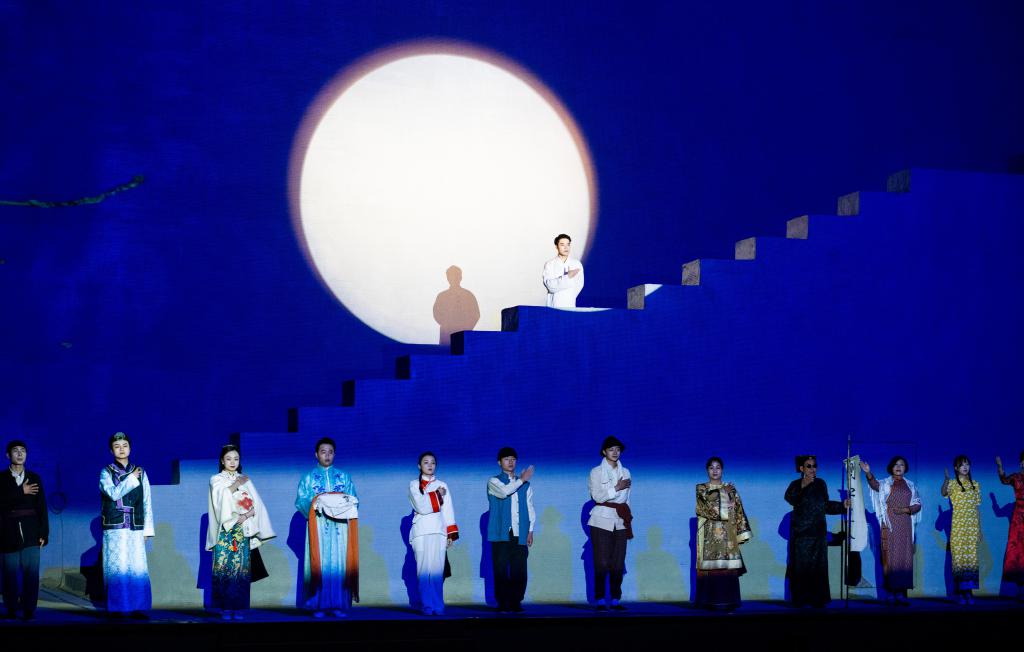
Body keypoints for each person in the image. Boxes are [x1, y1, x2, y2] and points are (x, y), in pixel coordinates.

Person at [206, 444, 275, 620]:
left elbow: (256, 503)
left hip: (242, 530)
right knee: (225, 568)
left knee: (241, 569)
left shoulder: (245, 479)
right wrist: (236, 485)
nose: (232, 462)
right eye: (228, 459)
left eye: (236, 459)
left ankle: (238, 608)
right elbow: (220, 500)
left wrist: (249, 515)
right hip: (225, 532)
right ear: (222, 461)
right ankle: (224, 608)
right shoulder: (216, 479)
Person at [295, 437, 358, 617]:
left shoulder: (344, 476)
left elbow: (354, 499)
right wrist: (315, 504)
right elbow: (301, 500)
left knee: (338, 564)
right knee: (320, 563)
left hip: (340, 527)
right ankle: (317, 605)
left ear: (334, 454)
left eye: (330, 452)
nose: (327, 455)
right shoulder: (308, 477)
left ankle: (337, 604)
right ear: (316, 454)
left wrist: (343, 504)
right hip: (319, 525)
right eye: (323, 452)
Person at [99, 432, 154, 618]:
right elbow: (113, 494)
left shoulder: (141, 472)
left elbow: (147, 502)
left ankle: (138, 607)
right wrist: (131, 479)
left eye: (124, 445)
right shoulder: (106, 472)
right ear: (111, 450)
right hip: (115, 527)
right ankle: (117, 608)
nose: (121, 449)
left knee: (137, 567)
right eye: (117, 446)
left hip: (135, 525)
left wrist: (147, 530)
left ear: (130, 448)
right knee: (117, 568)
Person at [785, 455, 849, 608]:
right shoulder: (795, 484)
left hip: (818, 534)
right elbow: (790, 498)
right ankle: (800, 600)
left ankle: (818, 599)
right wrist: (804, 485)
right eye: (808, 466)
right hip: (802, 536)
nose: (812, 469)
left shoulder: (821, 483)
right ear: (802, 468)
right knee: (800, 569)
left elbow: (825, 506)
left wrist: (842, 505)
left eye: (814, 465)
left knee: (818, 569)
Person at [861, 456, 921, 606]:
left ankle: (901, 593)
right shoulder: (885, 483)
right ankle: (890, 593)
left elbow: (918, 504)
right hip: (889, 525)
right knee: (890, 559)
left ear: (905, 468)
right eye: (895, 464)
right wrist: (868, 472)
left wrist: (905, 509)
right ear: (891, 467)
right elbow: (874, 485)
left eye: (901, 465)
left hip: (905, 525)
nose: (898, 467)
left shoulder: (910, 485)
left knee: (904, 560)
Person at [695, 456, 751, 611]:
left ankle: (729, 600)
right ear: (707, 470)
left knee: (728, 567)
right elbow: (705, 508)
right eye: (711, 467)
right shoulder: (701, 488)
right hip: (708, 534)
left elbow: (738, 510)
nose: (715, 471)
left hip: (727, 534)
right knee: (710, 568)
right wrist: (723, 495)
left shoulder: (730, 488)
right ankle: (708, 601)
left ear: (722, 470)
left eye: (718, 467)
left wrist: (740, 532)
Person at [407, 451, 459, 615]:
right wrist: (437, 495)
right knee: (424, 570)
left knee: (437, 570)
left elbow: (448, 510)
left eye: (433, 462)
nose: (430, 465)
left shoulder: (442, 485)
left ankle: (437, 604)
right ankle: (426, 605)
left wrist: (450, 533)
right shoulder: (414, 484)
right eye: (426, 462)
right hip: (421, 531)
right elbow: (421, 506)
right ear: (419, 466)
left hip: (438, 530)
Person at [1, 440, 48, 621]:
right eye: (15, 451)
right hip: (8, 531)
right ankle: (11, 607)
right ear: (8, 455)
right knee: (9, 573)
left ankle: (29, 609)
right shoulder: (2, 479)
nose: (20, 454)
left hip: (31, 530)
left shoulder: (34, 477)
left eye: (23, 451)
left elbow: (41, 506)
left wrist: (43, 533)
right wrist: (21, 491)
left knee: (31, 573)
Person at [486, 446, 535, 613]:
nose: (510, 462)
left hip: (519, 531)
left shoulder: (526, 485)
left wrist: (530, 530)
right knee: (500, 568)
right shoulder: (494, 481)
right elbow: (504, 492)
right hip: (501, 531)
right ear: (499, 462)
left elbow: (530, 507)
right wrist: (521, 480)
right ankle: (502, 602)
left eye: (513, 459)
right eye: (506, 459)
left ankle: (516, 602)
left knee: (519, 569)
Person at [587, 436, 632, 611]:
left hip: (621, 519)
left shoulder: (626, 472)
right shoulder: (596, 472)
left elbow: (626, 499)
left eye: (618, 449)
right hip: (601, 519)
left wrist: (628, 519)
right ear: (604, 451)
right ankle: (599, 599)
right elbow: (597, 496)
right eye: (611, 449)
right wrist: (616, 488)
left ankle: (615, 599)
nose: (615, 452)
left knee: (618, 562)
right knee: (601, 562)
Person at [941, 455, 980, 604]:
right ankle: (961, 593)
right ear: (956, 468)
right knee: (959, 560)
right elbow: (943, 493)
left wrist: (979, 529)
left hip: (971, 528)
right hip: (958, 527)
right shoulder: (952, 484)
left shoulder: (975, 484)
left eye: (967, 464)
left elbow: (976, 509)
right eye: (962, 465)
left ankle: (969, 592)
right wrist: (946, 479)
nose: (965, 467)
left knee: (971, 560)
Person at [996, 451, 1024, 601]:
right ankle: (1018, 589)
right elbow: (1004, 480)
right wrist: (1000, 467)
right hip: (1018, 519)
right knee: (1017, 552)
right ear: (1021, 463)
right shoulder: (1016, 477)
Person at [542, 233, 584, 308]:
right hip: (554, 305)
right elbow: (550, 286)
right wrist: (568, 277)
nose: (566, 247)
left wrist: (569, 295)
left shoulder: (576, 264)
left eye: (568, 244)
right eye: (562, 245)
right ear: (556, 246)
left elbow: (579, 285)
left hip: (570, 304)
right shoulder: (550, 264)